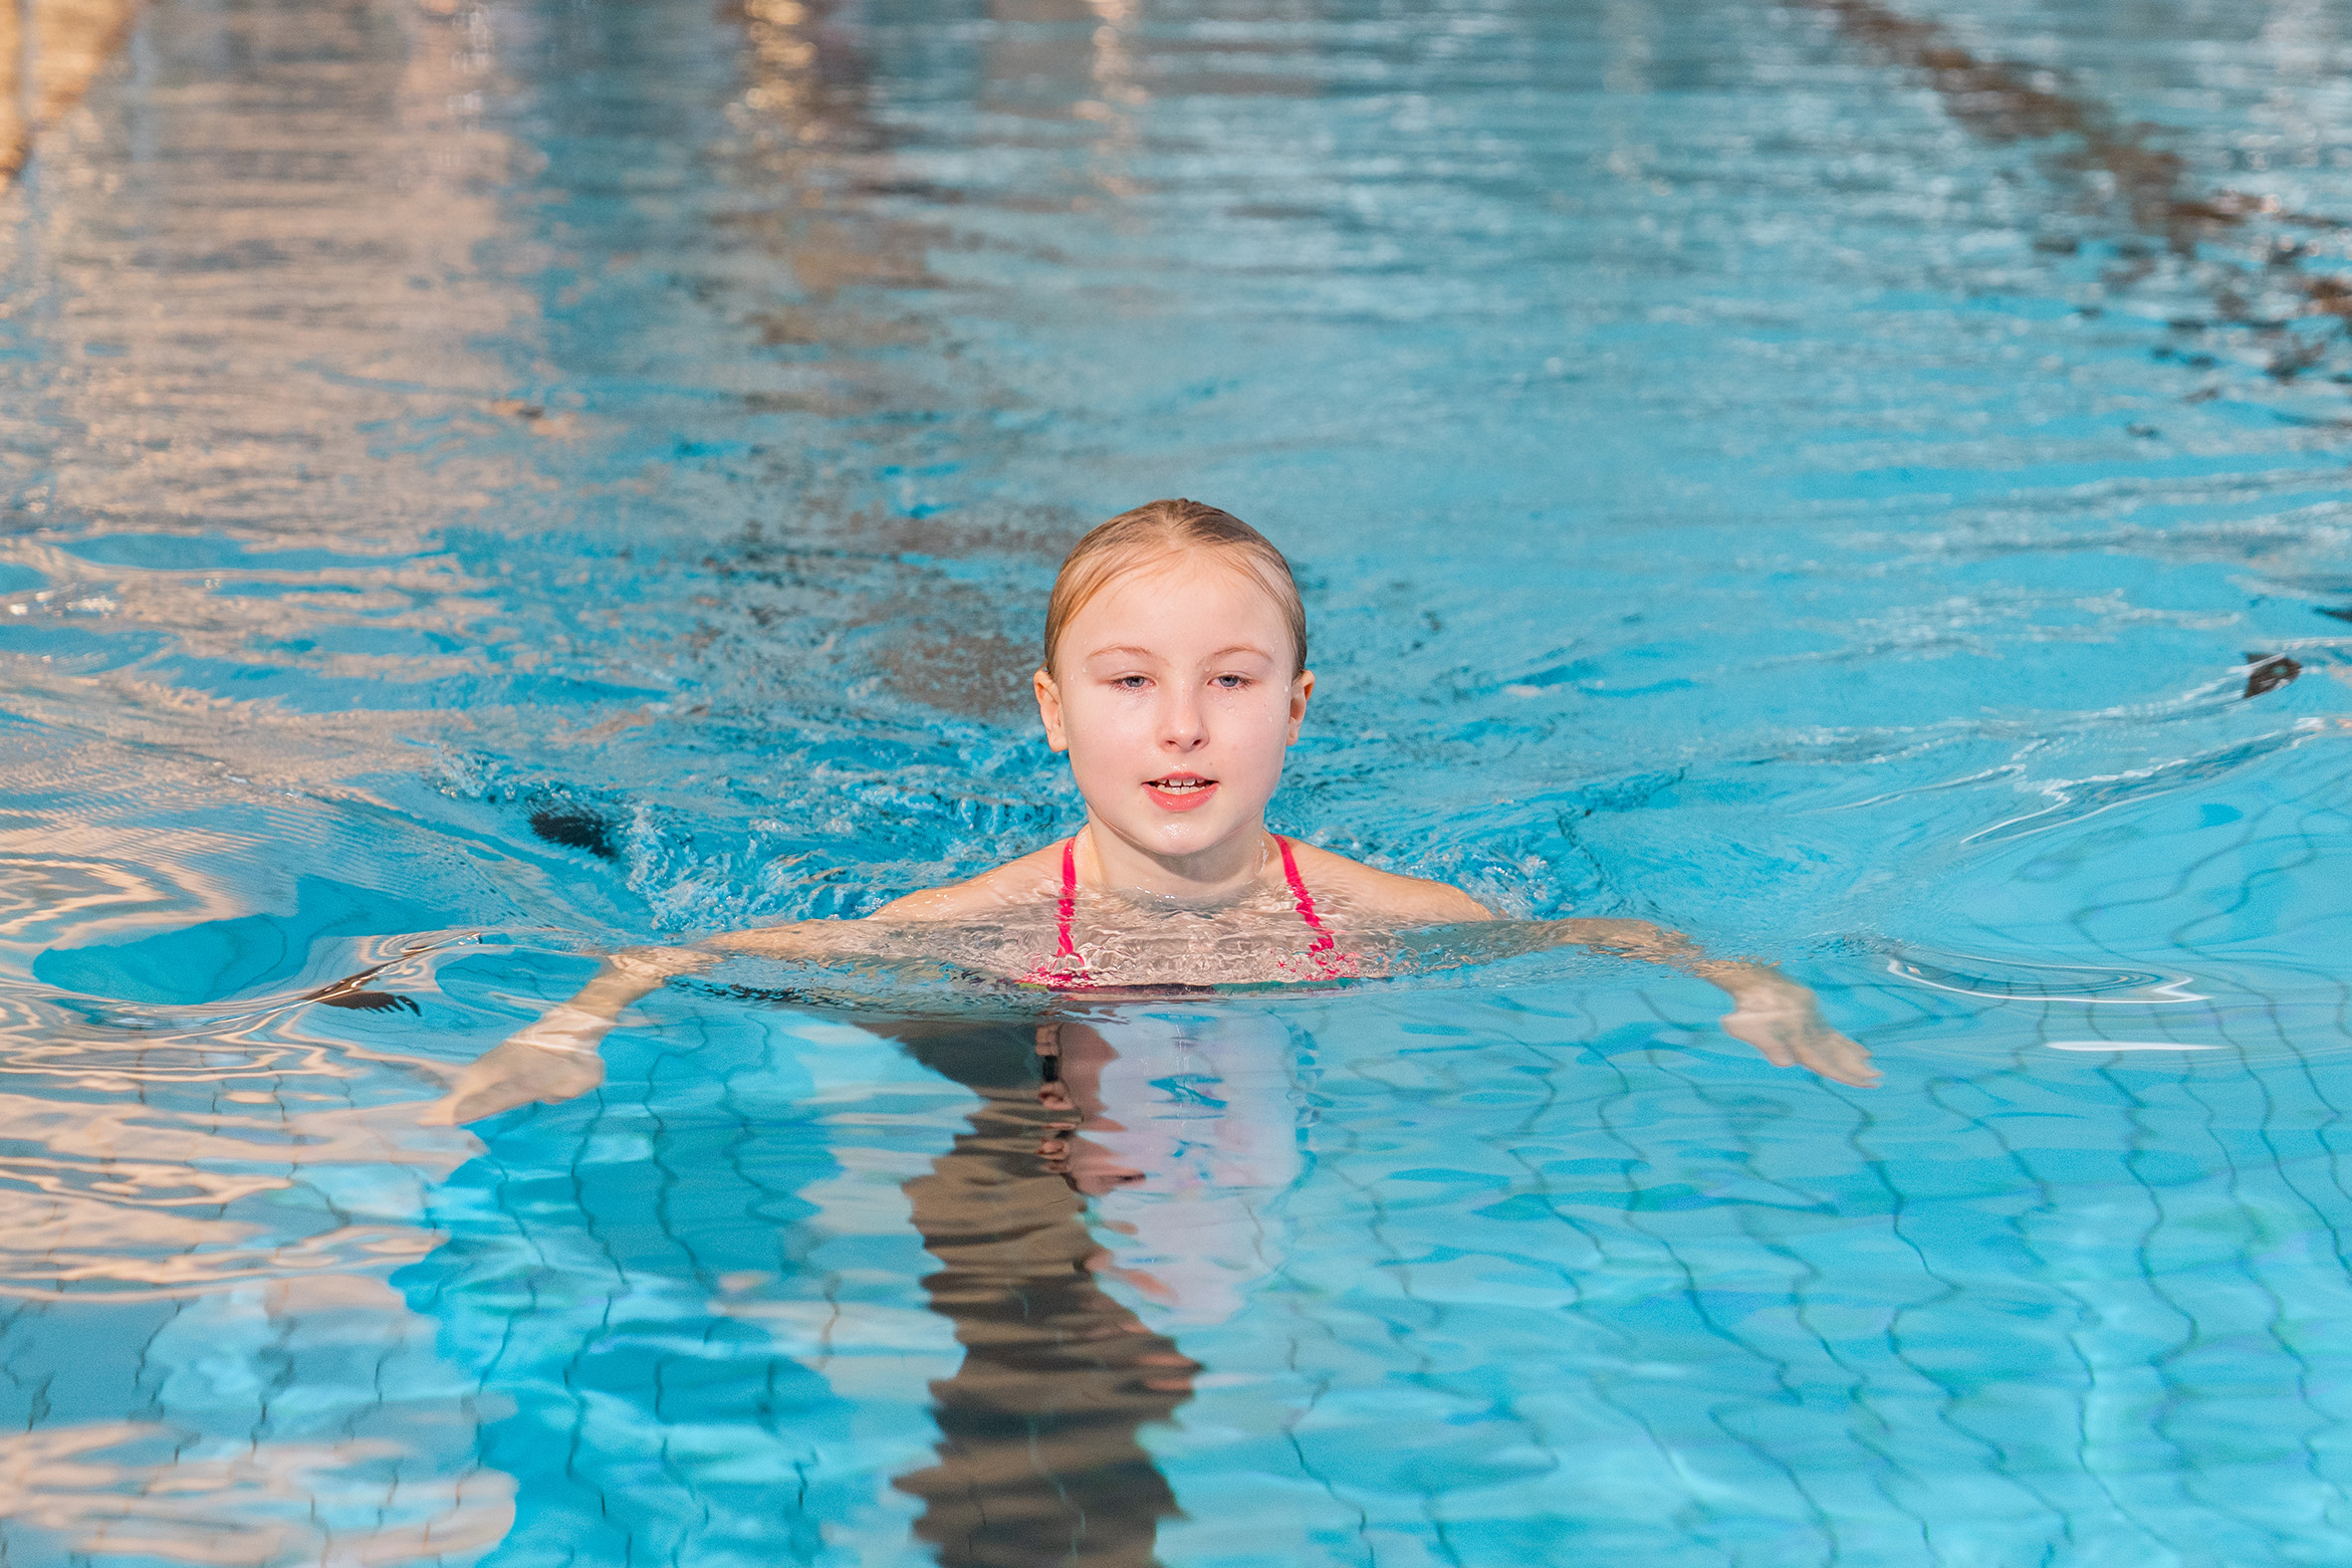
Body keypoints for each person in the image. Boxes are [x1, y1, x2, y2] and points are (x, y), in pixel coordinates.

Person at [423, 499, 1876, 1126]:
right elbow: (691, 950)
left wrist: (1748, 985)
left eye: (1230, 681)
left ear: (1296, 711)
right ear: (1053, 714)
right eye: (1128, 682)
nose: (1180, 724)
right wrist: (571, 1031)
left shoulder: (1380, 914)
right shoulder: (973, 921)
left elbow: (1612, 936)